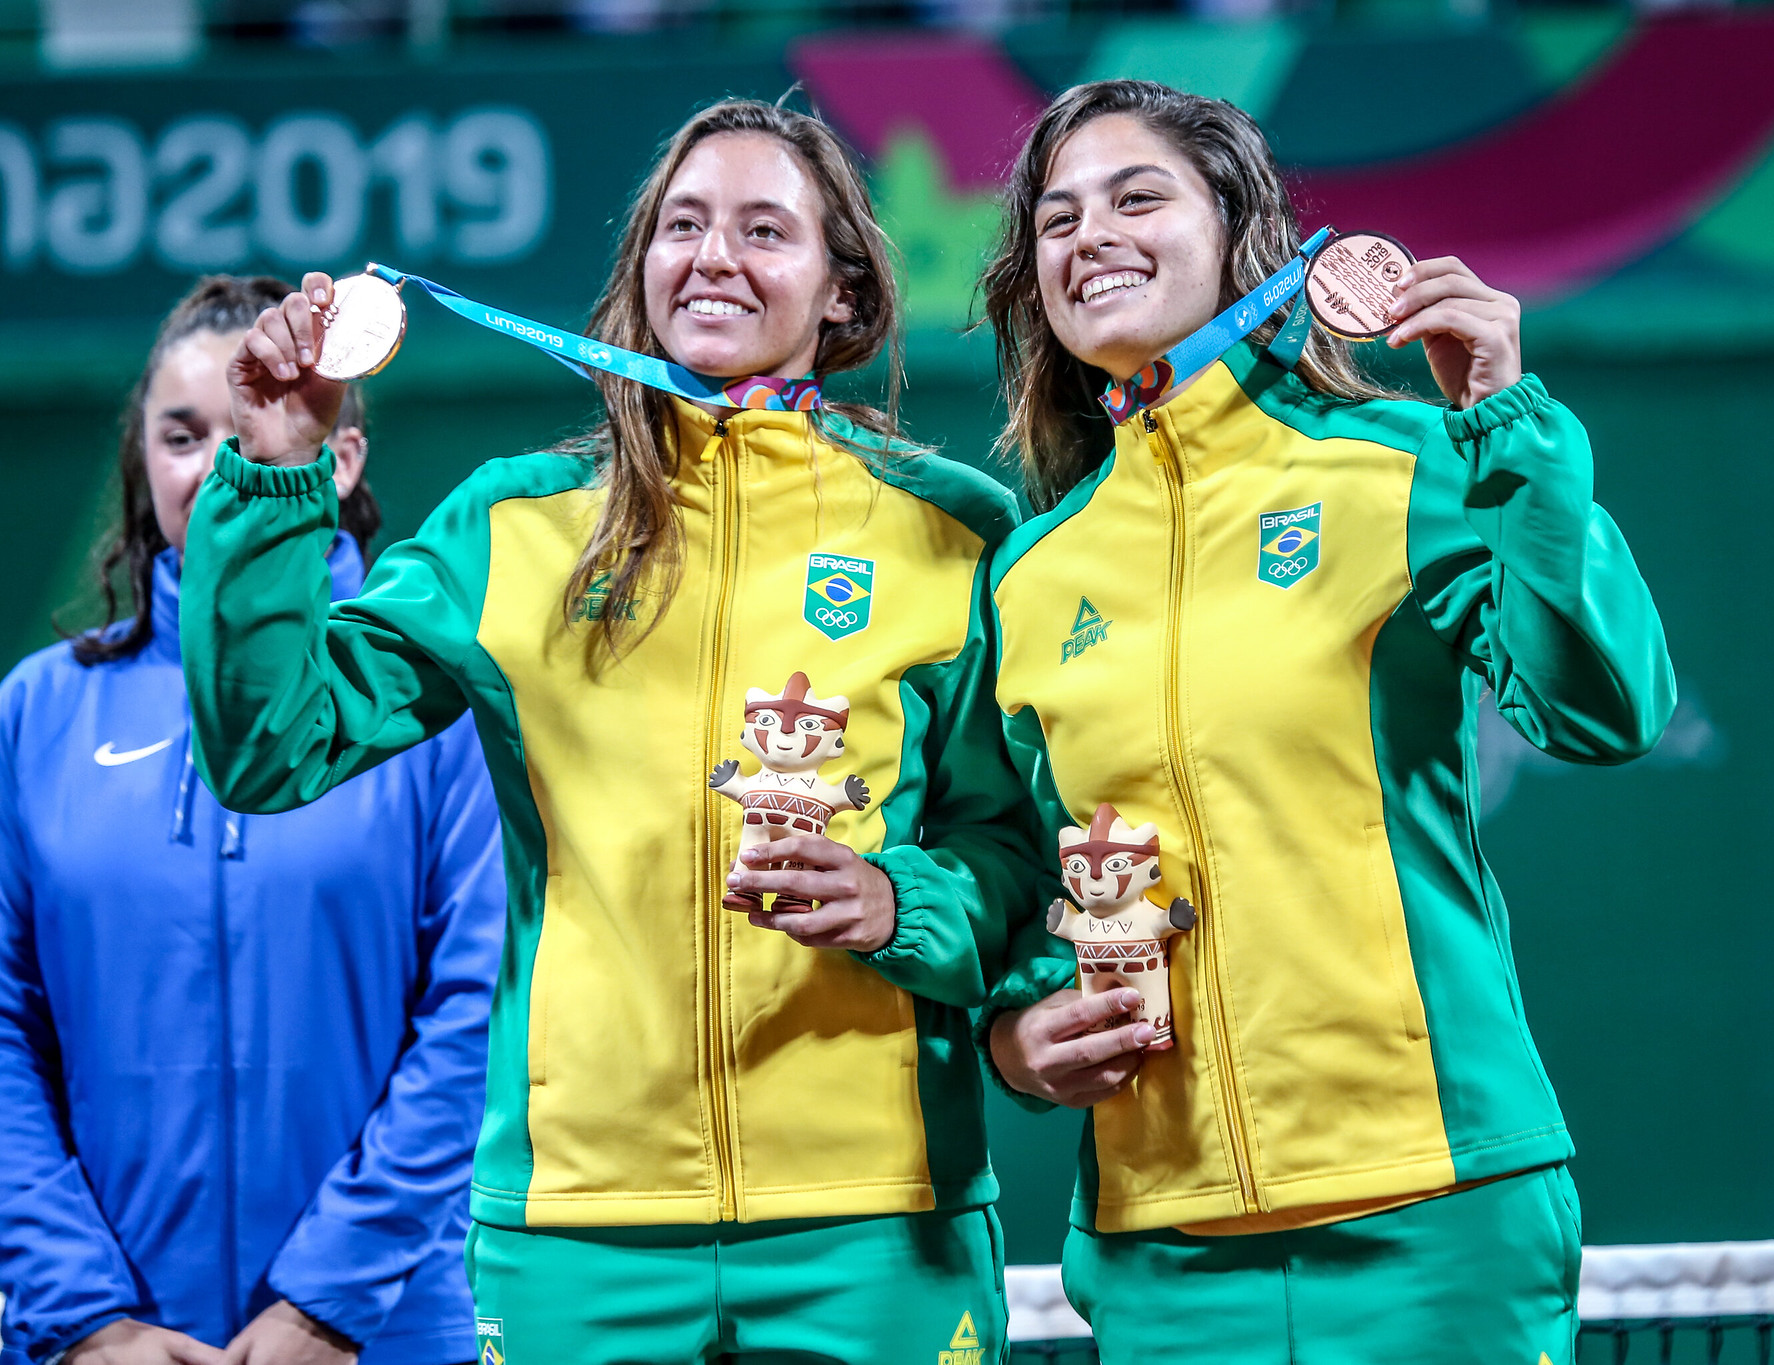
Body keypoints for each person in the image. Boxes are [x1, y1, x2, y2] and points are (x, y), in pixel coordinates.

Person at [178, 100, 1040, 1365]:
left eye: (764, 230)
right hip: (578, 1227)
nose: (713, 257)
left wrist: (893, 901)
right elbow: (273, 745)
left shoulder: (952, 529)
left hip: (876, 1221)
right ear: (640, 266)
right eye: (681, 225)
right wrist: (276, 469)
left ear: (841, 292)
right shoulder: (515, 528)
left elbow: (1013, 854)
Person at [974, 80, 1677, 1365]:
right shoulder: (1029, 577)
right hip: (1160, 1239)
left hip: (1434, 1205)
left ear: (1241, 234)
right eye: (1056, 220)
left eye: (1138, 197)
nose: (1089, 236)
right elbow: (1027, 873)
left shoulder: (1407, 462)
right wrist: (1021, 1032)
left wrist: (1504, 422)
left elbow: (1604, 708)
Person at [0, 276, 505, 1365]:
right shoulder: (35, 715)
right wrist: (82, 1319)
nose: (214, 466)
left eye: (253, 431)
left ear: (342, 458)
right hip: (101, 1341)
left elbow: (477, 1016)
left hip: (383, 1332)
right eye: (182, 435)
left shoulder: (429, 704)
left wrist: (327, 1305)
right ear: (141, 457)